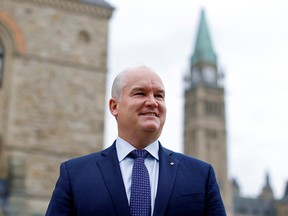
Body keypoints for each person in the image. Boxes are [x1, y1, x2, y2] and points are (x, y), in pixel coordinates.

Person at [46, 65, 226, 216]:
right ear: (114, 106)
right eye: (140, 93)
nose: (153, 102)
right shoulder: (75, 175)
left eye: (159, 95)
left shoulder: (201, 175)